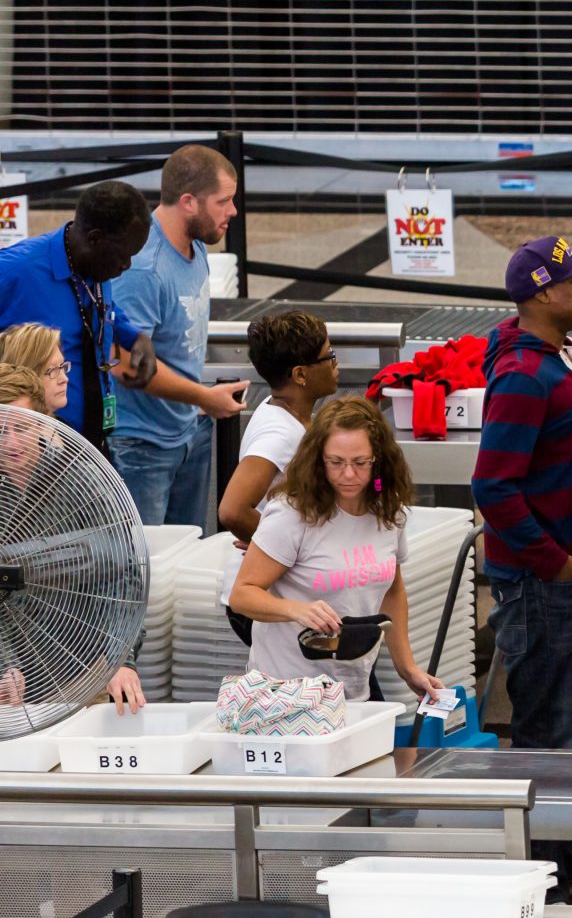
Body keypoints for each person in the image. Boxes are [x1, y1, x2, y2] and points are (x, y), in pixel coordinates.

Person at [472, 235, 572, 900]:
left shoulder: (552, 357)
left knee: (558, 725)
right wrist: (553, 561)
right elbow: (492, 485)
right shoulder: (525, 377)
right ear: (541, 293)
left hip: (566, 569)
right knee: (544, 727)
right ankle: (542, 878)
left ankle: (558, 867)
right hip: (544, 580)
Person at [227, 397, 448, 707]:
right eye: (336, 462)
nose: (348, 474)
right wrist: (297, 610)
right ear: (319, 460)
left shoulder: (387, 512)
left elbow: (392, 590)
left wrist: (407, 668)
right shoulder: (292, 515)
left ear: (378, 460)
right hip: (287, 694)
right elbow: (242, 594)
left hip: (353, 688)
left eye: (360, 463)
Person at [108, 146, 250, 528]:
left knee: (187, 556)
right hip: (143, 447)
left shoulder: (197, 244)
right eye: (223, 201)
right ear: (188, 202)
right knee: (146, 567)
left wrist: (197, 404)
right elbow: (125, 366)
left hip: (188, 429)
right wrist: (203, 396)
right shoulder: (143, 269)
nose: (233, 211)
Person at [0, 369, 145, 712]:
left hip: (87, 671)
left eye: (21, 428)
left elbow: (125, 576)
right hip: (15, 684)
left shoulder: (82, 482)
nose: (10, 443)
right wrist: (4, 665)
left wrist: (120, 660)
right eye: (0, 430)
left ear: (43, 422)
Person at [0, 182, 157, 451]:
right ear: (95, 238)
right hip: (33, 452)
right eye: (123, 255)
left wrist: (134, 336)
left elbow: (103, 308)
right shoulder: (15, 270)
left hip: (94, 444)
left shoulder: (97, 269)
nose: (126, 266)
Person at [215, 312, 337, 544]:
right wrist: (280, 547)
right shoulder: (280, 434)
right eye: (329, 355)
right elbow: (232, 510)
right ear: (300, 374)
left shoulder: (283, 411)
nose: (335, 362)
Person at [0, 324, 70, 417]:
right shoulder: (9, 431)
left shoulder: (62, 428)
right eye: (52, 370)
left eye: (61, 366)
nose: (64, 379)